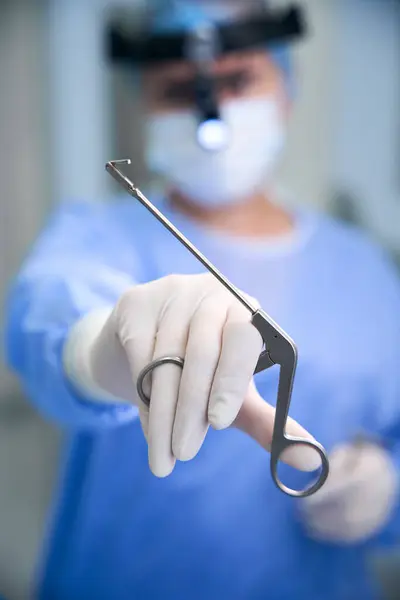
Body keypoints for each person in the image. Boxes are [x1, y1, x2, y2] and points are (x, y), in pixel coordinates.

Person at [5, 1, 400, 598]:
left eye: (238, 80)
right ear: (144, 101)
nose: (207, 112)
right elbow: (48, 321)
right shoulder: (97, 238)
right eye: (178, 89)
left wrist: (389, 493)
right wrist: (102, 350)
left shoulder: (365, 267)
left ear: (286, 88)